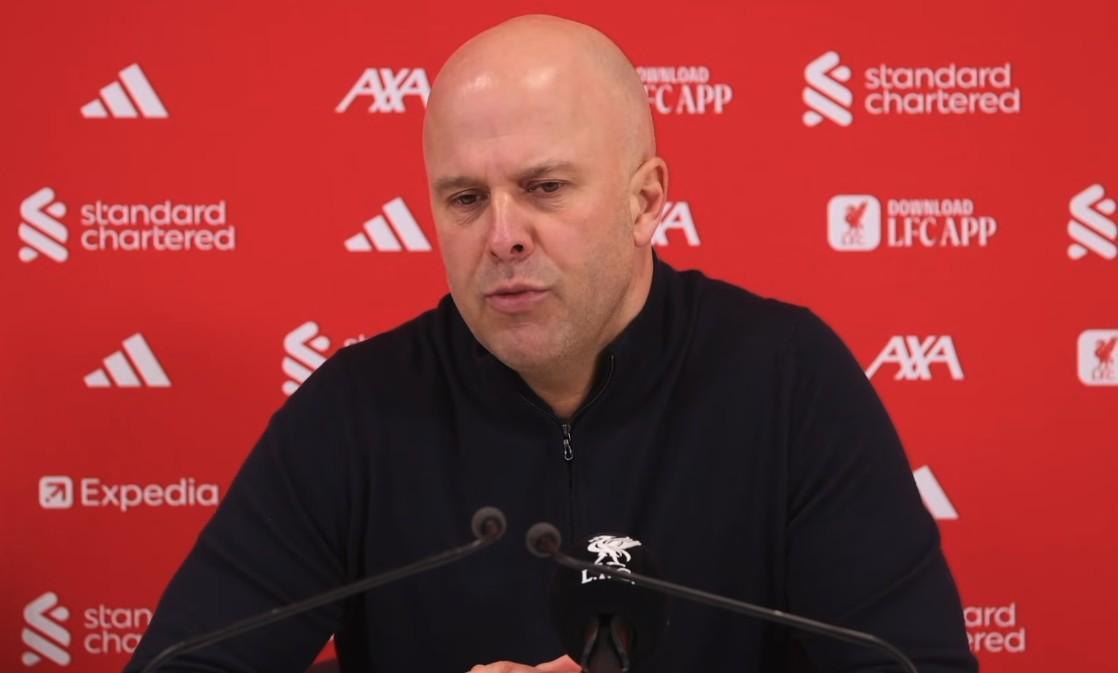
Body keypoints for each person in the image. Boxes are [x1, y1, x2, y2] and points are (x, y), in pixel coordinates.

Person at [125, 14, 976, 673]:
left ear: (646, 201)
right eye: (466, 199)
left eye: (544, 187)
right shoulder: (355, 411)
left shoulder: (789, 381)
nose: (502, 235)